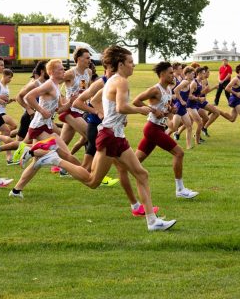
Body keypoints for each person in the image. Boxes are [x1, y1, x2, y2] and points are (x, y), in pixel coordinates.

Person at [21, 46, 177, 231]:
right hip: (110, 136)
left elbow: (95, 100)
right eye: (130, 62)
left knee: (142, 174)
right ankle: (54, 159)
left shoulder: (112, 80)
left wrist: (104, 113)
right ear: (120, 64)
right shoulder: (120, 82)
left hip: (116, 134)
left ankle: (152, 221)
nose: (133, 65)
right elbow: (120, 107)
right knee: (92, 181)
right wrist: (139, 109)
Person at [133, 61, 199, 199]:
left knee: (134, 162)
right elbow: (136, 101)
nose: (173, 75)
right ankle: (180, 190)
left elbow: (166, 110)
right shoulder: (155, 89)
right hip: (152, 128)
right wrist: (152, 110)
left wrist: (171, 110)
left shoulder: (168, 89)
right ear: (162, 74)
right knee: (179, 153)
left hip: (158, 128)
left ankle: (117, 168)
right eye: (170, 73)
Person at [170, 66, 195, 150]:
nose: (194, 75)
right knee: (173, 128)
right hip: (179, 107)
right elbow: (176, 90)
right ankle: (161, 139)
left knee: (189, 126)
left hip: (183, 108)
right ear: (187, 74)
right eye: (192, 73)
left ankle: (188, 146)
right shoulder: (185, 82)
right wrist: (181, 100)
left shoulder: (188, 82)